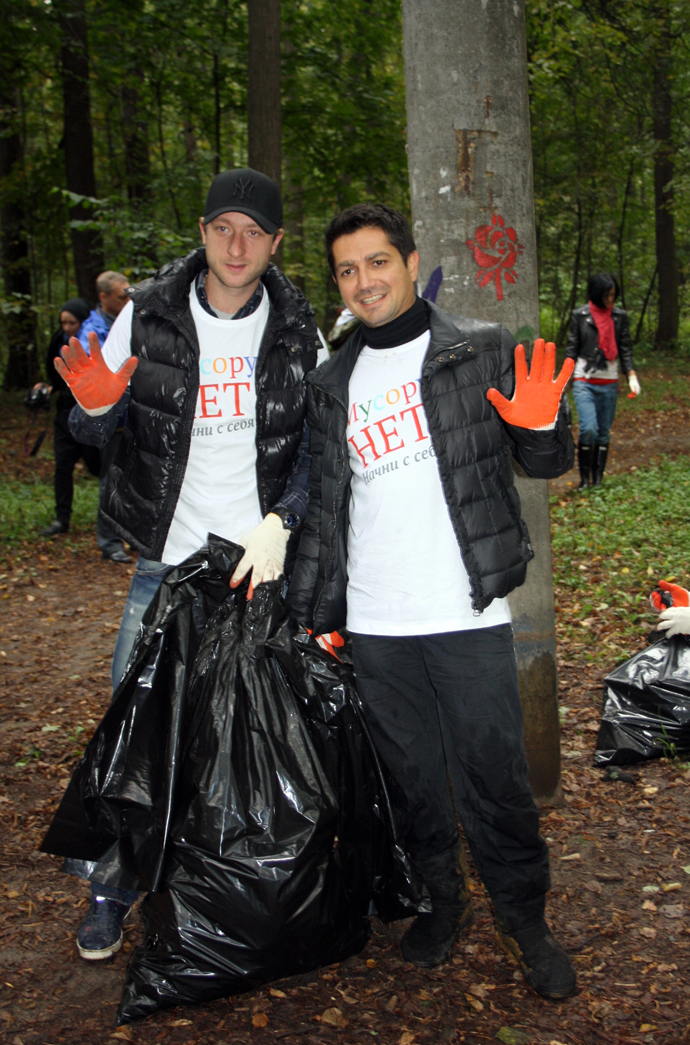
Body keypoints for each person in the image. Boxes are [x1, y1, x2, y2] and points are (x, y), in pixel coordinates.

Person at [287, 204, 577, 1000]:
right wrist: (318, 613)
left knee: (495, 778)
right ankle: (443, 902)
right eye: (347, 270)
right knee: (413, 780)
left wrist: (541, 426)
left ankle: (525, 920)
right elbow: (328, 508)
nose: (364, 281)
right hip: (376, 623)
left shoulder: (478, 348)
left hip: (465, 613)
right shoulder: (331, 383)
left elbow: (544, 460)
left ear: (412, 262)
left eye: (377, 262)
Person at [55, 168, 327, 961]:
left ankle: (226, 891)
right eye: (223, 228)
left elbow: (317, 447)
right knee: (134, 725)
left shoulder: (298, 327)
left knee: (249, 735)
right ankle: (112, 887)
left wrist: (284, 521)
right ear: (203, 232)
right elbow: (93, 425)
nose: (237, 246)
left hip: (257, 566)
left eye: (254, 232)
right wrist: (94, 409)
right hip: (165, 563)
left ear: (275, 244)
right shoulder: (146, 313)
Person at [77, 271, 133, 563]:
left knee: (136, 478)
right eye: (122, 296)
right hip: (112, 420)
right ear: (104, 297)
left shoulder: (130, 321)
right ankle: (110, 542)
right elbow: (93, 376)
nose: (127, 301)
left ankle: (132, 536)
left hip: (136, 415)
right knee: (111, 479)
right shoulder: (92, 331)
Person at [565, 273, 641, 489]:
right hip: (584, 379)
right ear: (597, 294)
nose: (610, 299)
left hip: (609, 381)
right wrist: (565, 379)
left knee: (603, 432)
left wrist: (631, 375)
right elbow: (572, 348)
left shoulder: (619, 316)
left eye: (613, 295)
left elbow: (625, 347)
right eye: (606, 295)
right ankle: (584, 480)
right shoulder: (580, 315)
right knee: (588, 428)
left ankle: (597, 480)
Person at [40, 299, 102, 537]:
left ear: (82, 321)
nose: (66, 328)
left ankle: (113, 519)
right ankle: (61, 518)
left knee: (97, 466)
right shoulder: (59, 341)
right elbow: (54, 375)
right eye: (63, 323)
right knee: (63, 465)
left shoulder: (95, 340)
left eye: (71, 323)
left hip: (90, 413)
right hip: (65, 412)